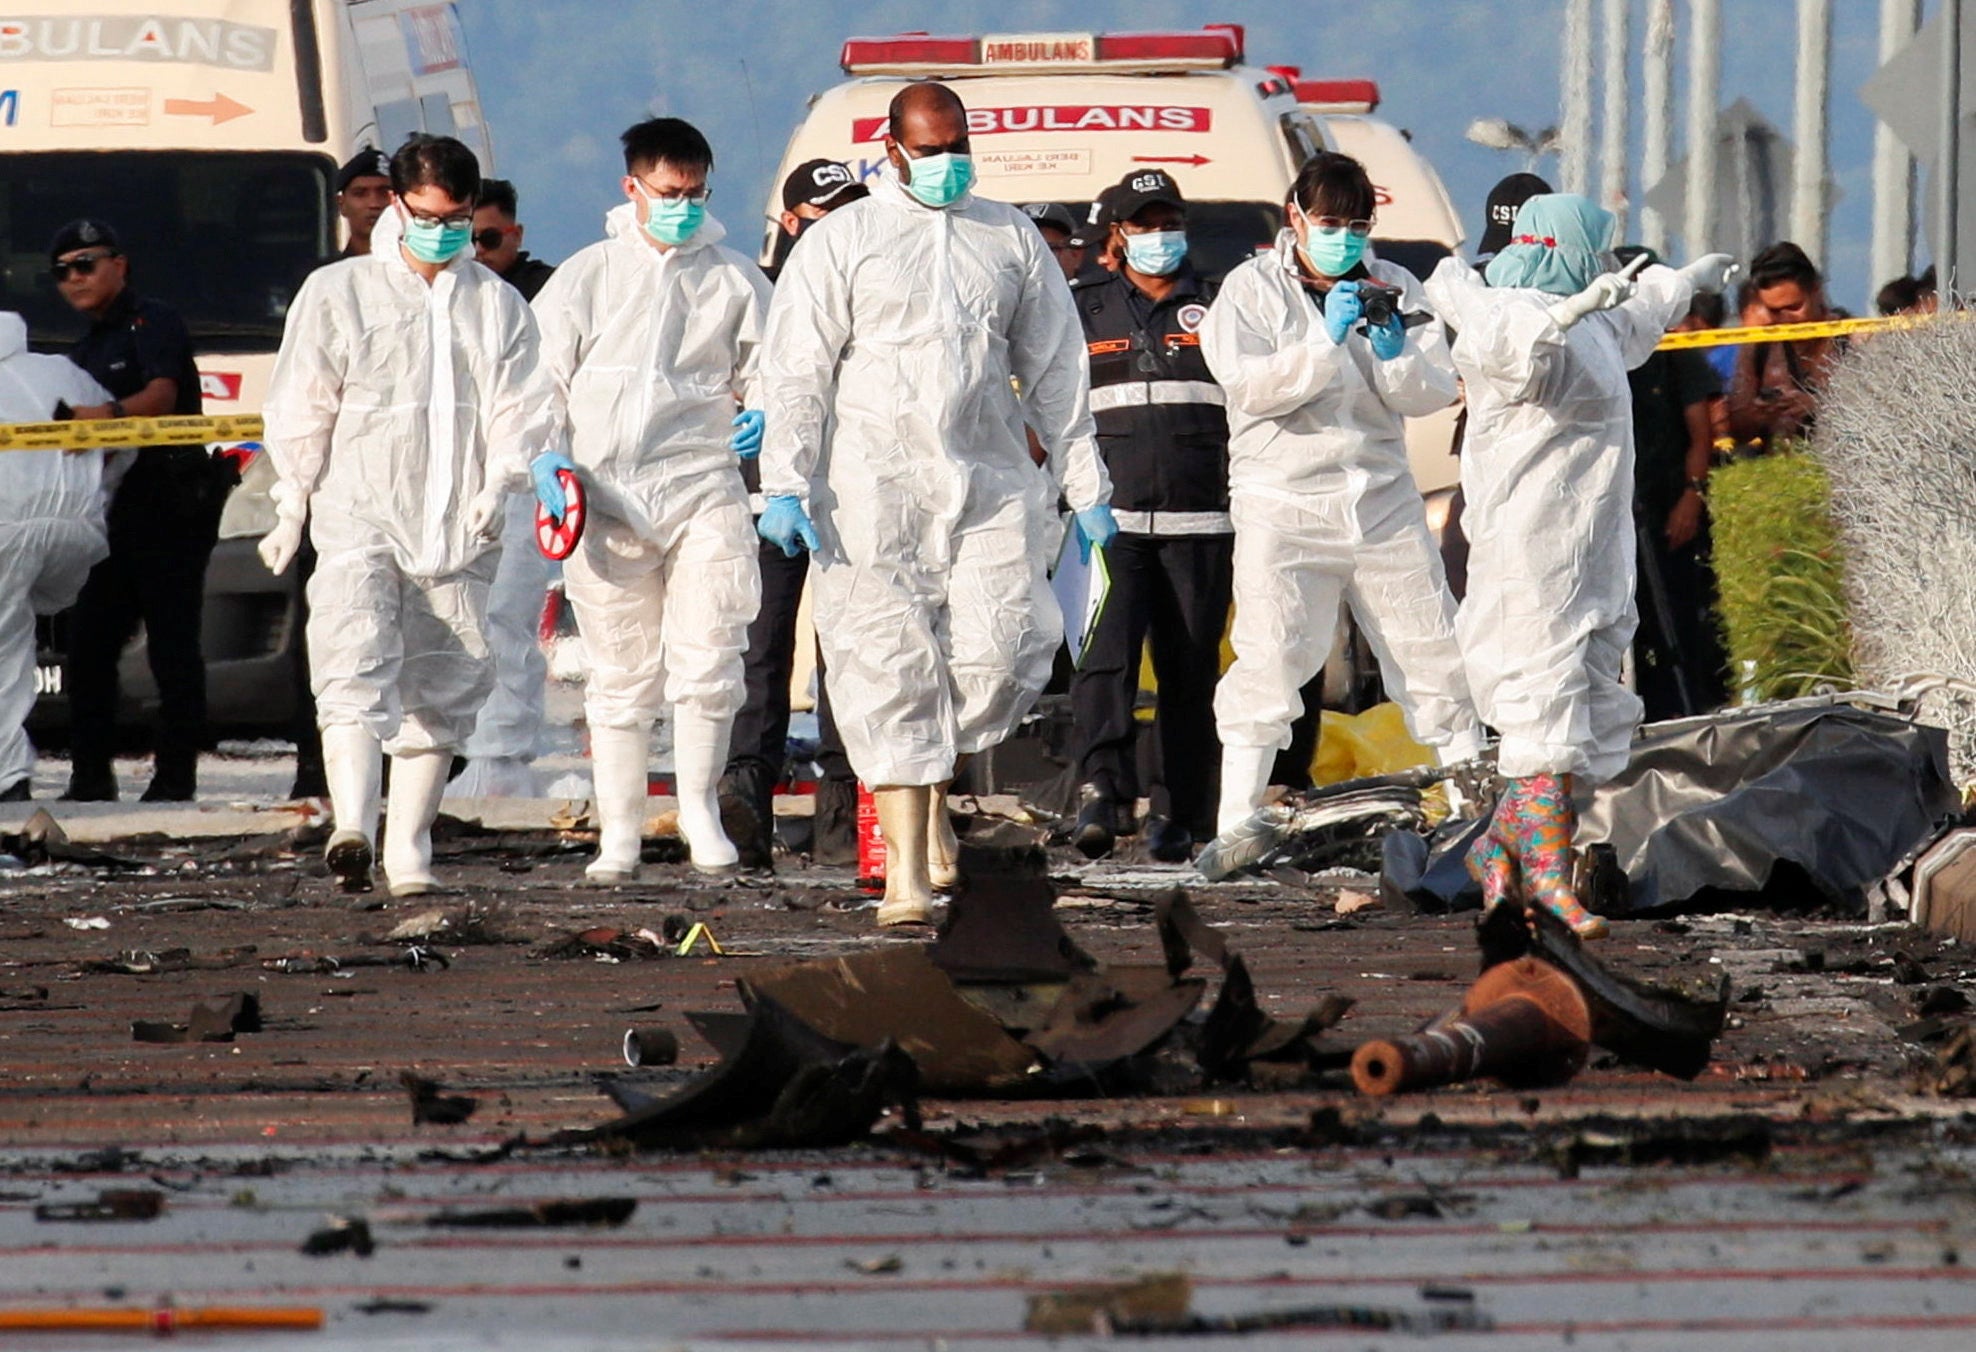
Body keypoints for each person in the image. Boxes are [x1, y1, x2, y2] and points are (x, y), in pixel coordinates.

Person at [756, 80, 1113, 926]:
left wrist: (1085, 482)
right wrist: (783, 482)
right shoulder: (845, 241)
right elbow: (797, 371)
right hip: (872, 490)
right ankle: (910, 873)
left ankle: (933, 802)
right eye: (932, 148)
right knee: (889, 668)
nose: (950, 163)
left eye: (960, 144)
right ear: (892, 149)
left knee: (999, 653)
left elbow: (1058, 367)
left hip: (987, 483)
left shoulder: (1008, 236)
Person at [1425, 194, 1733, 938]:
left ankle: (1495, 857)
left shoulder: (1590, 315)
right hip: (1528, 562)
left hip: (1590, 555)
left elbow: (1633, 325)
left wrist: (1683, 280)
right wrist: (1559, 317)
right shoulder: (1507, 315)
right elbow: (1509, 355)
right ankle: (1549, 889)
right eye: (1592, 251)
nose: (1599, 267)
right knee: (1543, 717)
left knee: (1577, 718)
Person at [259, 134, 558, 897]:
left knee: (446, 682)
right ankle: (353, 824)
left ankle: (409, 849)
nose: (445, 230)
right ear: (396, 203)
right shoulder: (341, 292)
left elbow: (522, 408)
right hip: (360, 507)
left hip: (461, 522)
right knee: (353, 660)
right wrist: (292, 498)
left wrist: (503, 481)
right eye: (429, 214)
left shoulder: (496, 305)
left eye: (458, 216)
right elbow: (302, 402)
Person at [1201, 152, 1482, 837]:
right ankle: (1237, 821)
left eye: (1358, 225)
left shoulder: (1396, 283)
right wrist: (1323, 339)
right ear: (1295, 216)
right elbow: (1250, 386)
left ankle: (1477, 810)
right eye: (1330, 222)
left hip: (1380, 500)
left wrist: (1393, 349)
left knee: (1434, 652)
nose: (1344, 238)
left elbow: (1431, 392)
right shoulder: (1250, 290)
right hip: (1284, 501)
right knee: (1270, 655)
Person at [532, 117, 771, 881]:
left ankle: (700, 808)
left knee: (710, 659)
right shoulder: (587, 276)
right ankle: (621, 833)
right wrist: (544, 457)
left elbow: (775, 370)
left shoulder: (734, 279)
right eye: (669, 193)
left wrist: (765, 411)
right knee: (620, 673)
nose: (685, 208)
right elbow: (541, 383)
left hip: (703, 487)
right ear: (631, 187)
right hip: (604, 498)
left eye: (697, 194)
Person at [1063, 169, 1231, 862]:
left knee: (1190, 674)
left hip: (1200, 523)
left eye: (1170, 223)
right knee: (1102, 663)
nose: (1161, 237)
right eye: (1146, 224)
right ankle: (1103, 793)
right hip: (1108, 520)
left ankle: (1180, 812)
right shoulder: (1084, 308)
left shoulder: (1220, 303)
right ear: (1117, 237)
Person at [723, 158, 869, 870]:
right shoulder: (756, 289)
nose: (835, 230)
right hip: (766, 496)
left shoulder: (870, 286)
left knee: (851, 650)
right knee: (762, 649)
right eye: (821, 217)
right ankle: (745, 800)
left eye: (849, 213)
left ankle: (846, 809)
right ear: (788, 223)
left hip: (848, 493)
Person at [53, 219, 230, 803]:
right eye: (63, 271)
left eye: (87, 263)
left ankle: (175, 777)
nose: (75, 278)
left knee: (173, 647)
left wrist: (102, 416)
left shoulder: (151, 321)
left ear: (119, 264)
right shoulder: (82, 349)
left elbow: (161, 396)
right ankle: (90, 779)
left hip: (169, 508)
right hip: (109, 516)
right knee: (89, 648)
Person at [452, 176, 560, 798]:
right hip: (452, 476)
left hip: (524, 477)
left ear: (514, 236)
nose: (476, 252)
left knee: (508, 617)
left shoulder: (545, 289)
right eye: (466, 239)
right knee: (445, 619)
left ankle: (502, 756)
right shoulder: (446, 292)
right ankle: (448, 753)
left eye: (488, 239)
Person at [0, 314, 117, 801]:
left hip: (8, 523)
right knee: (16, 633)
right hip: (76, 528)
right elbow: (120, 438)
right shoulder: (63, 370)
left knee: (5, 643)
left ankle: (8, 778)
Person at [1616, 246, 1729, 721]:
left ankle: (1684, 716)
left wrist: (1691, 497)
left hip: (1667, 511)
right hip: (1615, 514)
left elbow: (1702, 434)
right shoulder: (1602, 343)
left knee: (1681, 624)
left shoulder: (1672, 350)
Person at [1725, 242, 1839, 451]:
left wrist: (1817, 406)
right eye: (1775, 311)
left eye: (1794, 307)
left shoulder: (1852, 339)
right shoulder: (1761, 345)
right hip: (1778, 471)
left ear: (1816, 291)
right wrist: (1760, 413)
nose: (1786, 319)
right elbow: (1737, 428)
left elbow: (1878, 415)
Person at [765, 159, 868, 280]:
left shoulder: (884, 277)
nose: (842, 216)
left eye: (849, 206)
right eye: (827, 208)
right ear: (791, 222)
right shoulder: (770, 291)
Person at [471, 178, 557, 301]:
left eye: (490, 238)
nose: (478, 249)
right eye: (469, 240)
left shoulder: (549, 288)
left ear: (517, 235)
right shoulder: (447, 293)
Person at [332, 147, 392, 260]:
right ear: (342, 204)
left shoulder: (421, 273)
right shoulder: (324, 274)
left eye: (384, 193)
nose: (374, 204)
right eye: (360, 194)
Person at [1022, 202, 1086, 282]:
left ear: (1076, 254)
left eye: (1049, 250)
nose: (1036, 260)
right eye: (1026, 252)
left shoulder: (1098, 293)